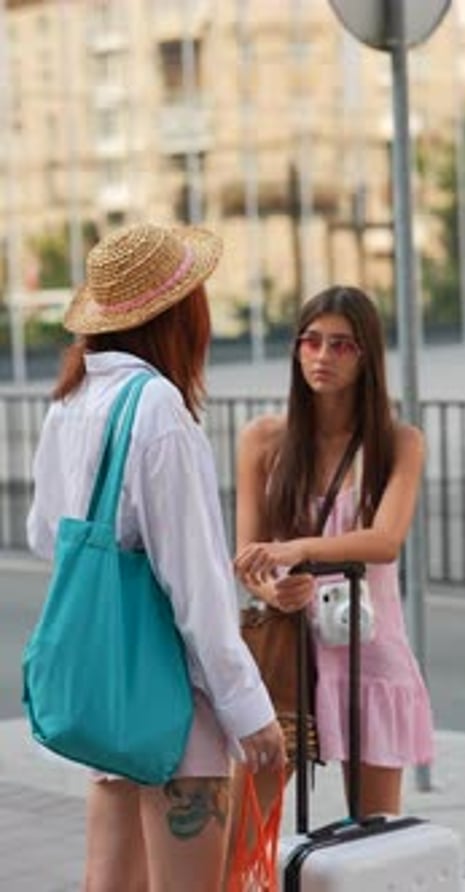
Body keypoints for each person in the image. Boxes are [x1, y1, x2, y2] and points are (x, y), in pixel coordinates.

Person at [26, 222, 285, 892]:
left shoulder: (73, 400)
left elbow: (45, 535)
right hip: (175, 695)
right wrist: (251, 712)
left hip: (112, 689)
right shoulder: (159, 409)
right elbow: (197, 588)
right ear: (179, 315)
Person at [233, 285, 434, 821]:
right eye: (312, 341)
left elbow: (384, 542)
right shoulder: (262, 440)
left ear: (367, 355)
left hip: (369, 649)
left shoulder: (398, 443)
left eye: (342, 345)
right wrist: (273, 588)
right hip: (288, 652)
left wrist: (298, 548)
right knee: (246, 830)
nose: (322, 357)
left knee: (373, 837)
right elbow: (248, 556)